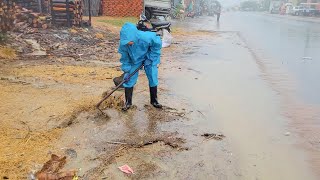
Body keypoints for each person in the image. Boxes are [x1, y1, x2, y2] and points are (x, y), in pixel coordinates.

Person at [118, 23, 163, 111]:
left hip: (148, 57)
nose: (129, 43)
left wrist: (150, 58)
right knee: (129, 79)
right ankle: (128, 102)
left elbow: (157, 45)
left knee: (152, 76)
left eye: (130, 40)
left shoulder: (146, 37)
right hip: (135, 60)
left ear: (135, 36)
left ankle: (154, 100)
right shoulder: (123, 45)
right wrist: (126, 70)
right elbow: (125, 58)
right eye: (126, 41)